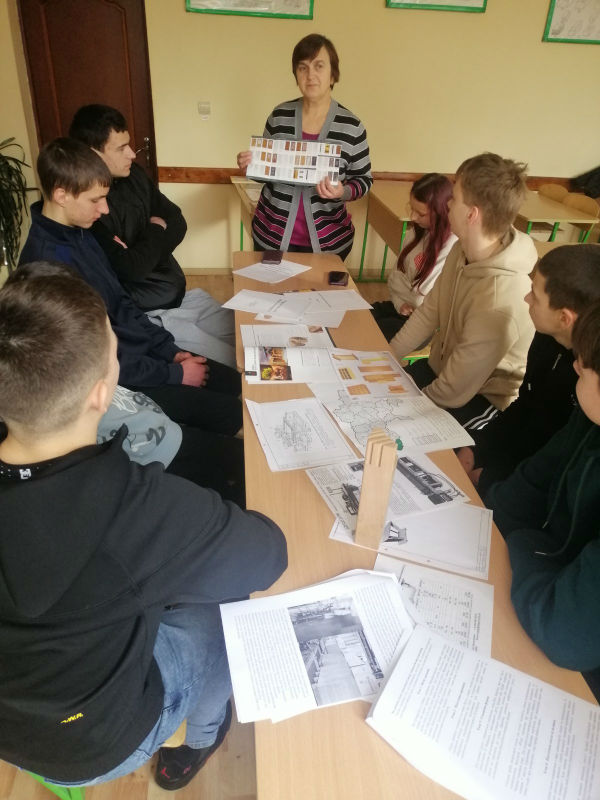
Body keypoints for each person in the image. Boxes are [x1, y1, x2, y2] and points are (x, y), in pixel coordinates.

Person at [0, 271, 287, 790]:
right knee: (227, 608)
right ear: (102, 393)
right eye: (114, 352)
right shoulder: (138, 508)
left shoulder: (132, 510)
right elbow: (268, 556)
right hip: (98, 740)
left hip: (12, 724)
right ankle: (202, 735)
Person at [19, 138, 242, 438]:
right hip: (118, 381)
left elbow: (122, 302)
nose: (104, 209)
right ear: (62, 195)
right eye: (96, 200)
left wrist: (171, 351)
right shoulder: (45, 268)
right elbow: (92, 362)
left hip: (141, 357)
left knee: (233, 382)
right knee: (229, 413)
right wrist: (173, 374)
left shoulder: (81, 232)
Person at [486, 300, 600, 698]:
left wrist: (524, 540)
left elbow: (564, 633)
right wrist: (491, 516)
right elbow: (537, 476)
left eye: (585, 365)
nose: (575, 366)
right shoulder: (590, 417)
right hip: (549, 583)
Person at [69, 104, 236, 369]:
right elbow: (130, 268)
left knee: (250, 339)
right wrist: (156, 228)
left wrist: (140, 251)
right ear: (93, 154)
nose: (132, 154)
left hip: (183, 297)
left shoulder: (134, 175)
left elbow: (178, 222)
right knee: (238, 365)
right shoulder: (87, 207)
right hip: (151, 316)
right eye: (121, 148)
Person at [390, 152, 536, 430]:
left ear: (472, 214)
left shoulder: (499, 299)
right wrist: (388, 357)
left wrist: (403, 409)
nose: (447, 204)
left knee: (393, 427)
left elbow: (453, 392)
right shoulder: (462, 250)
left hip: (479, 400)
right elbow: (428, 313)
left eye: (454, 197)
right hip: (441, 372)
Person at [457, 243, 600, 498]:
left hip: (534, 483)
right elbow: (525, 406)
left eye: (535, 295)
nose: (526, 299)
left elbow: (551, 458)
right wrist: (477, 449)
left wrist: (492, 476)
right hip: (518, 466)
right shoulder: (547, 336)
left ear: (564, 318)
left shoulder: (588, 380)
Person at [236, 33, 372, 260]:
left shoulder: (352, 126)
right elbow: (267, 173)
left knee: (320, 286)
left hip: (329, 241)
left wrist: (343, 191)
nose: (310, 75)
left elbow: (364, 180)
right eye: (302, 68)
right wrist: (251, 165)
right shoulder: (279, 116)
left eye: (319, 66)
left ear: (333, 75)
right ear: (296, 75)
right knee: (271, 284)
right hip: (271, 235)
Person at [370, 173, 457, 341]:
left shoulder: (451, 246)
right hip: (398, 307)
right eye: (411, 208)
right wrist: (400, 302)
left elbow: (420, 301)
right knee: (356, 317)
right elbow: (393, 279)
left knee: (368, 335)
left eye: (421, 213)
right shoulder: (415, 234)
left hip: (422, 325)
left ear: (441, 213)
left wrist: (404, 287)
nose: (412, 217)